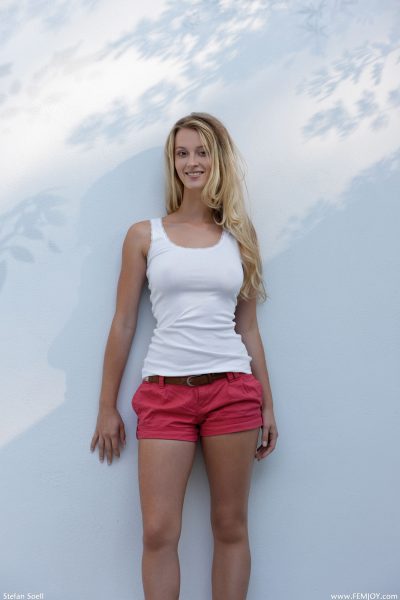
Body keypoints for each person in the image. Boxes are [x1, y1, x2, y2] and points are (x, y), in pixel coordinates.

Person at [90, 112, 278, 599]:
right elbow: (124, 323)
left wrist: (268, 404)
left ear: (219, 160)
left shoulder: (241, 236)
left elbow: (248, 328)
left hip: (232, 391)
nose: (191, 162)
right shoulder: (144, 235)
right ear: (172, 162)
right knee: (158, 531)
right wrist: (107, 406)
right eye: (181, 153)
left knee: (230, 524)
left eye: (201, 152)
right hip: (164, 393)